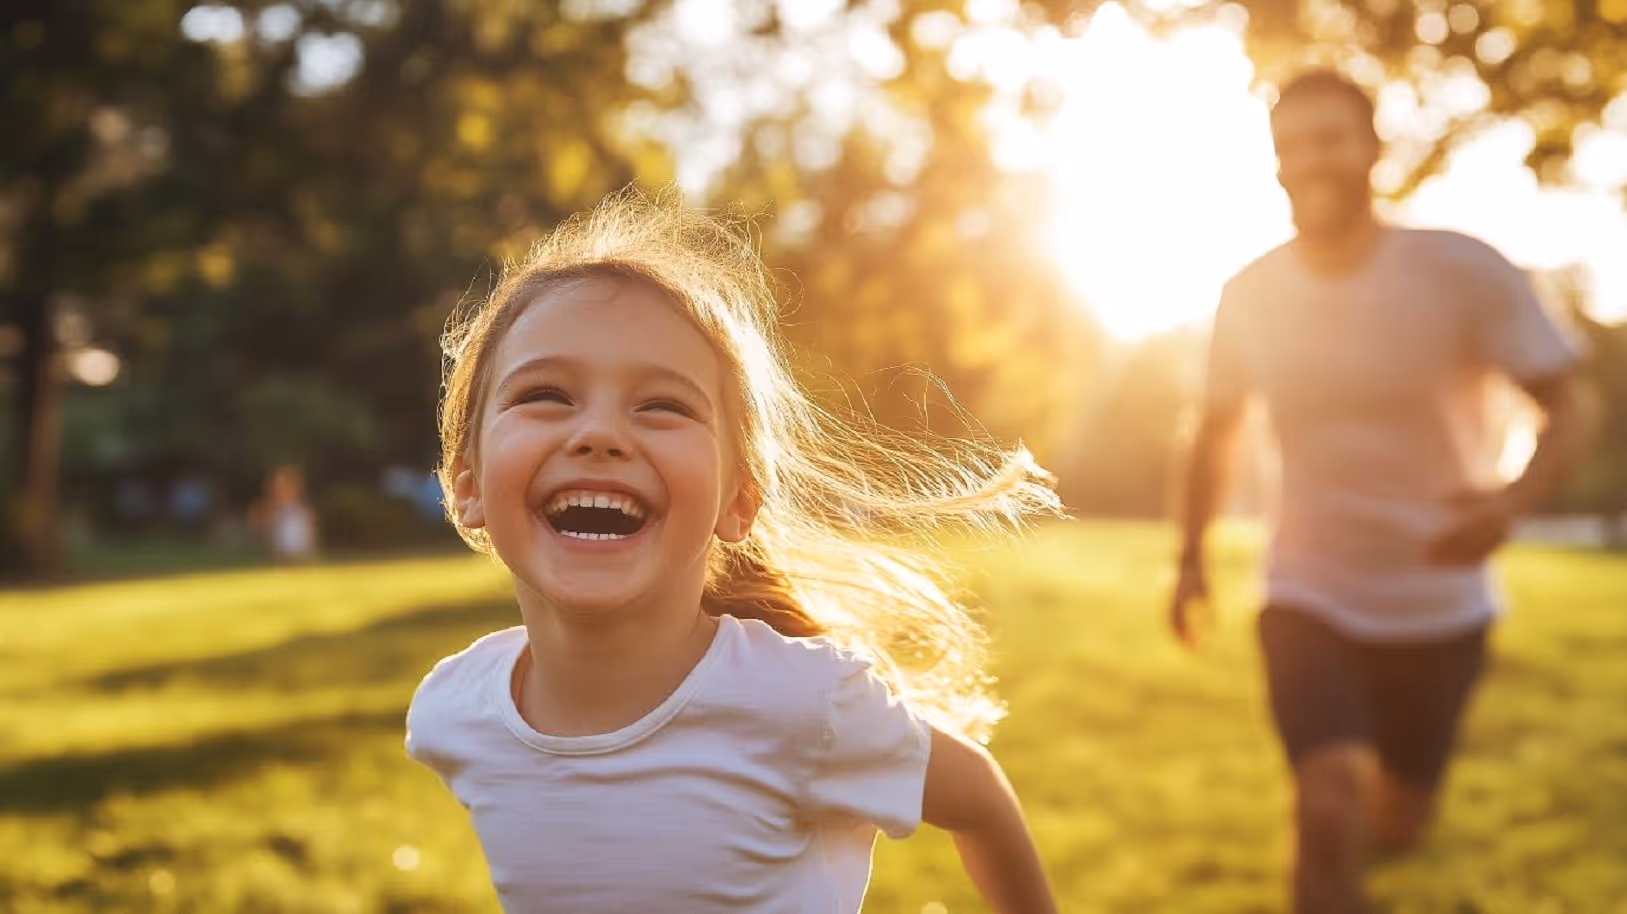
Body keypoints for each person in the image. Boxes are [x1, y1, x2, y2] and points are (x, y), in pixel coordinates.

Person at [405, 190, 1061, 913]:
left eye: (661, 406)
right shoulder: (453, 713)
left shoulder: (806, 705)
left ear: (738, 500)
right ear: (465, 484)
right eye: (546, 394)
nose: (599, 432)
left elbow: (981, 803)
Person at [1169, 70, 1595, 914]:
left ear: (1372, 149)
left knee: (1396, 823)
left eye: (1327, 139)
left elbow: (1572, 402)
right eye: (1288, 147)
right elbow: (1212, 430)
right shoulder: (1249, 294)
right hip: (1306, 588)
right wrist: (1187, 559)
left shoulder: (1459, 270)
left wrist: (1509, 503)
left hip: (1440, 605)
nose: (1307, 162)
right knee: (1324, 808)